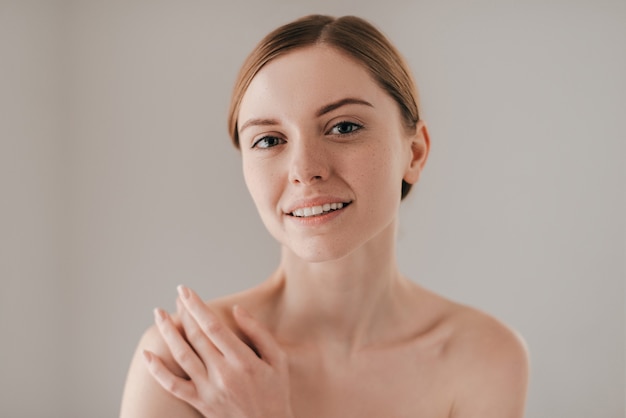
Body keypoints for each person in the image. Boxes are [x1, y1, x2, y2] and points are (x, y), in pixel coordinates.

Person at [120, 14, 529, 417]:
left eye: (344, 127)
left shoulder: (483, 358)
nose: (304, 169)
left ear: (414, 152)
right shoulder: (186, 363)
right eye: (268, 140)